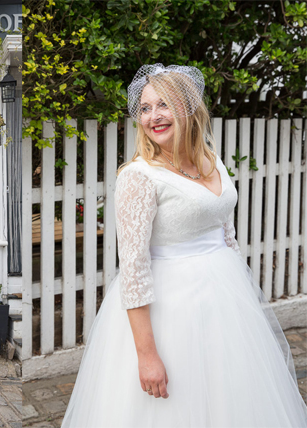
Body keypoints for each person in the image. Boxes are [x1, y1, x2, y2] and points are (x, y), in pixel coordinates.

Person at [62, 64, 307, 426]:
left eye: (164, 105)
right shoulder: (139, 176)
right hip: (171, 311)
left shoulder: (210, 159)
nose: (153, 116)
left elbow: (227, 233)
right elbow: (133, 267)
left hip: (225, 304)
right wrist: (147, 356)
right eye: (145, 108)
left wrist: (241, 299)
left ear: (190, 108)